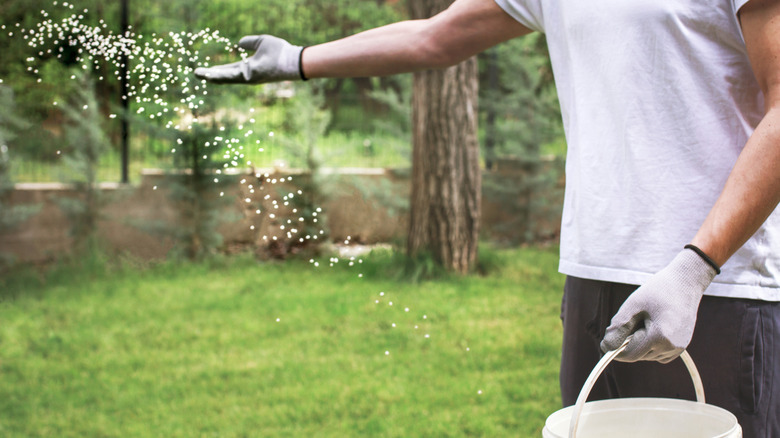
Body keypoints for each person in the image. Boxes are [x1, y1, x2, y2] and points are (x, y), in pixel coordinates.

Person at [195, 0, 780, 435]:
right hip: (593, 274)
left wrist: (695, 268)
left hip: (718, 283)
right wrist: (298, 60)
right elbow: (437, 36)